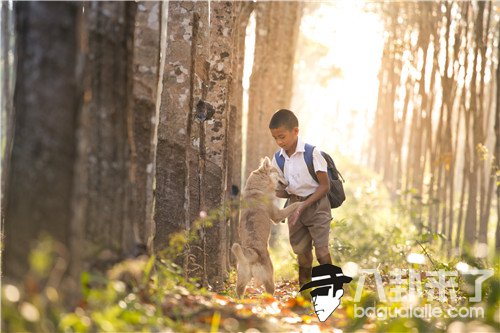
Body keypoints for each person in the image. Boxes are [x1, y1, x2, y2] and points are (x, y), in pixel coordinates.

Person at [269, 109, 333, 286]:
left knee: (321, 252)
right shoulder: (278, 159)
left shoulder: (312, 154)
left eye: (282, 136)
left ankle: (333, 290)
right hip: (294, 206)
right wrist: (270, 191)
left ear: (296, 131)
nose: (279, 142)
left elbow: (325, 186)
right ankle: (305, 294)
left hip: (317, 205)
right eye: (275, 138)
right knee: (302, 255)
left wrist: (303, 206)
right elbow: (284, 191)